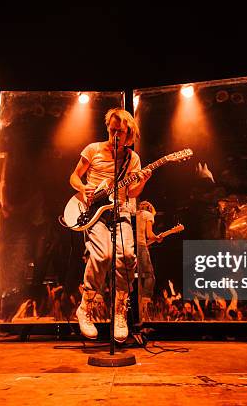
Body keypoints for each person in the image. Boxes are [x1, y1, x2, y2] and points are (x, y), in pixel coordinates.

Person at [69, 108, 152, 342]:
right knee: (102, 255)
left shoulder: (132, 159)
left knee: (125, 256)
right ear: (108, 127)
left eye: (120, 132)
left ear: (129, 134)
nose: (115, 135)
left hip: (120, 211)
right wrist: (82, 188)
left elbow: (132, 192)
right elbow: (74, 177)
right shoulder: (93, 149)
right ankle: (85, 309)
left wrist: (142, 182)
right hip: (94, 212)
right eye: (112, 130)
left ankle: (119, 312)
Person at [135, 200, 162, 321]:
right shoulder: (148, 215)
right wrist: (157, 238)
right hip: (141, 246)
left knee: (136, 276)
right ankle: (145, 301)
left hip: (131, 246)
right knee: (149, 275)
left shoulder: (135, 214)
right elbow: (149, 234)